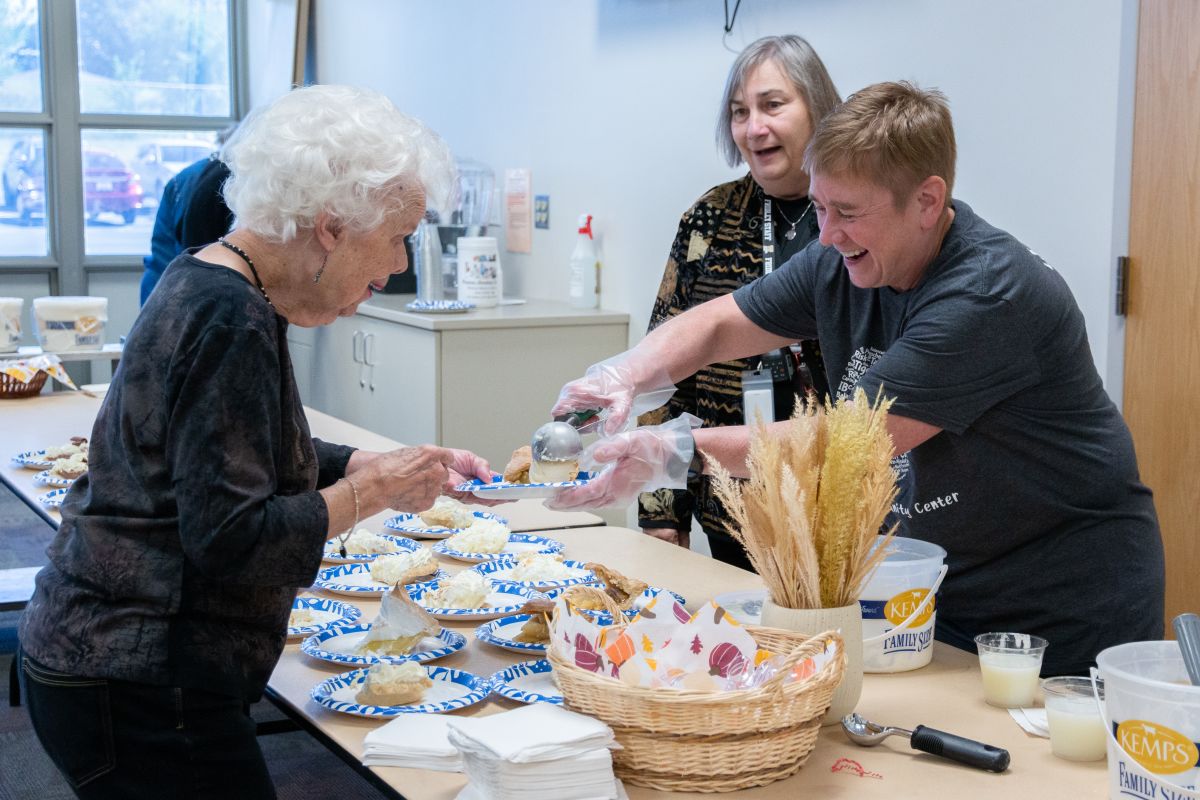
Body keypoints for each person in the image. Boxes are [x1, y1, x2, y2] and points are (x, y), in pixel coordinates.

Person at [549, 82, 1165, 677]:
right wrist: (620, 376)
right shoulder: (840, 258)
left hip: (1057, 604)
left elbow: (839, 448)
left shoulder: (986, 296)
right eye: (818, 207)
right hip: (937, 589)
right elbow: (716, 325)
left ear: (927, 201)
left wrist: (677, 452)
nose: (826, 233)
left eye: (847, 212)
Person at [18, 85, 496, 798]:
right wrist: (371, 493)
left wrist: (360, 462)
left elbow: (228, 453)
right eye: (396, 238)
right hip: (141, 676)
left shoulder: (213, 278)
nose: (397, 266)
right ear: (331, 225)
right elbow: (232, 536)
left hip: (107, 661)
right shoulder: (229, 316)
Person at [638, 35, 840, 569]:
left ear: (818, 107)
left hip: (844, 506)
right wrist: (661, 509)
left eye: (773, 105)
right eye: (739, 112)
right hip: (731, 506)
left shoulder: (854, 219)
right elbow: (665, 367)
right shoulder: (710, 219)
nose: (754, 128)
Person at [139, 130, 235, 305]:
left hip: (162, 283)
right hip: (183, 290)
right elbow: (201, 257)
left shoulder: (190, 176)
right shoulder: (219, 180)